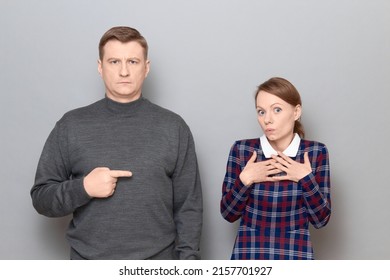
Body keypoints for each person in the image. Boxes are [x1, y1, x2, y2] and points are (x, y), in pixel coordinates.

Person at [31, 26, 203, 260]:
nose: (124, 71)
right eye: (114, 62)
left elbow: (189, 207)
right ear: (100, 67)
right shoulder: (71, 125)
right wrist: (83, 188)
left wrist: (189, 265)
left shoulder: (174, 127)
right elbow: (42, 198)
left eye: (132, 61)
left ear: (146, 68)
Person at [220, 77, 331, 260]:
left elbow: (321, 220)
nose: (267, 119)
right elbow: (228, 214)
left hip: (296, 257)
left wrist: (305, 178)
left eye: (277, 110)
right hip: (249, 257)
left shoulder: (315, 152)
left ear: (296, 112)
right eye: (261, 112)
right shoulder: (242, 150)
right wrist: (245, 180)